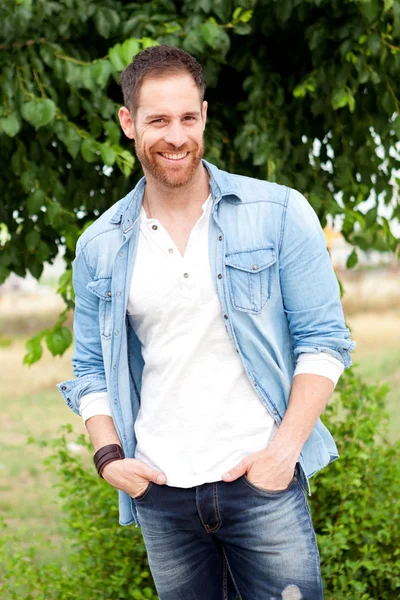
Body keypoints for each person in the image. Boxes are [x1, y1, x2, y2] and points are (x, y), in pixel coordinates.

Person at [58, 45, 355, 600]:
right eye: (158, 120)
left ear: (204, 115)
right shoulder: (99, 246)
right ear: (128, 122)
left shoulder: (279, 212)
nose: (177, 136)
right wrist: (109, 461)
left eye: (188, 118)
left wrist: (282, 452)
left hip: (262, 479)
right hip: (161, 491)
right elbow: (90, 370)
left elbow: (325, 342)